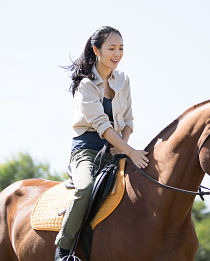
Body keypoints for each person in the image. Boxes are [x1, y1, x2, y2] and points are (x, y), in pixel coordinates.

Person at [54, 26, 149, 260]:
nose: (117, 54)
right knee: (85, 188)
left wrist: (122, 147)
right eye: (111, 48)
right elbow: (103, 127)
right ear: (96, 50)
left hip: (117, 149)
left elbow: (128, 120)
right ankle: (63, 249)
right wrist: (131, 152)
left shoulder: (123, 80)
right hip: (87, 151)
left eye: (121, 49)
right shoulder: (85, 85)